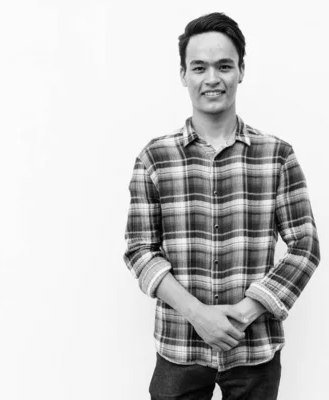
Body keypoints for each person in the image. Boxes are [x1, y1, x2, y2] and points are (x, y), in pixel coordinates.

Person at [123, 12, 320, 399]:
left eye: (224, 66)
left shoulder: (277, 155)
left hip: (255, 352)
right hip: (179, 348)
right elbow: (139, 250)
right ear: (183, 75)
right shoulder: (154, 158)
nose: (212, 78)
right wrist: (198, 314)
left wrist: (245, 312)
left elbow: (305, 246)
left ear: (241, 71)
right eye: (199, 67)